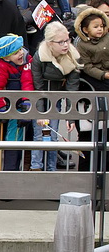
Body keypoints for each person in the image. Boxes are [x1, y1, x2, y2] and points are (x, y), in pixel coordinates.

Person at [30, 21, 80, 171]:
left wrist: (70, 117)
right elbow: (37, 86)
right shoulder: (39, 56)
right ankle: (36, 167)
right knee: (39, 135)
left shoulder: (73, 56)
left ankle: (51, 169)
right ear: (50, 43)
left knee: (52, 136)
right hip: (40, 98)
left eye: (67, 40)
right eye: (61, 42)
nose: (66, 45)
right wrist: (40, 113)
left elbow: (72, 89)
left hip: (56, 99)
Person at [0, 33, 34, 176]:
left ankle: (21, 168)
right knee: (12, 137)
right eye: (16, 53)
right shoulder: (2, 65)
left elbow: (27, 82)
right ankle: (10, 171)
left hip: (23, 104)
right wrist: (0, 107)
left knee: (27, 137)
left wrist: (27, 102)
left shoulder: (27, 61)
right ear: (6, 57)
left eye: (20, 49)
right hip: (10, 106)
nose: (21, 53)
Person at [76, 6, 109, 89]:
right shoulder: (81, 44)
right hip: (95, 75)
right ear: (85, 30)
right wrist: (103, 75)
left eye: (101, 26)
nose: (100, 29)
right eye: (96, 27)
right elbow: (87, 66)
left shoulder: (107, 37)